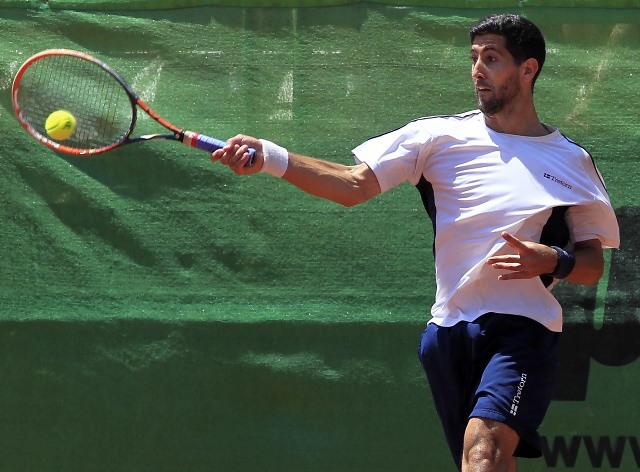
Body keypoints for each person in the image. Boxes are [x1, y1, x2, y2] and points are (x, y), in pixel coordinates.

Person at [211, 13, 620, 472]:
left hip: (523, 330)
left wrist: (553, 259)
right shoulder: (436, 138)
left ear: (528, 70)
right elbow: (352, 185)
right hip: (447, 334)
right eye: (474, 58)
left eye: (492, 58)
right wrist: (270, 156)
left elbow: (591, 265)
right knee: (483, 463)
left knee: (483, 453)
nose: (478, 70)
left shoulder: (571, 160)